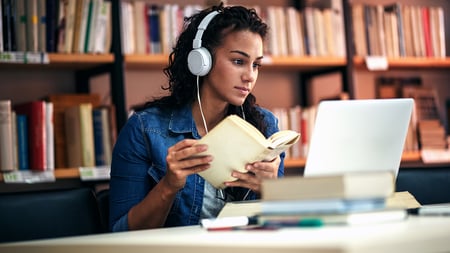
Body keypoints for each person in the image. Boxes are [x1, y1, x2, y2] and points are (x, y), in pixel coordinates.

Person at [109, 3, 285, 232]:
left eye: (256, 64)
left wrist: (271, 190)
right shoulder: (144, 130)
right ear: (202, 61)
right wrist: (169, 186)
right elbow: (121, 233)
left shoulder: (265, 126)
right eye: (238, 61)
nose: (250, 76)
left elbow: (279, 226)